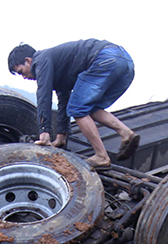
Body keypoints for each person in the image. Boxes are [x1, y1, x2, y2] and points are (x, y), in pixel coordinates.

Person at [9, 40, 139, 168]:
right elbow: (64, 101)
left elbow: (44, 96)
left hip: (104, 58)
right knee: (91, 108)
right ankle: (126, 133)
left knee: (78, 108)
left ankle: (101, 156)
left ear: (28, 60)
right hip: (125, 62)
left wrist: (44, 133)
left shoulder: (41, 60)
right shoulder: (56, 67)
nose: (24, 77)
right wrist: (61, 137)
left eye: (21, 71)